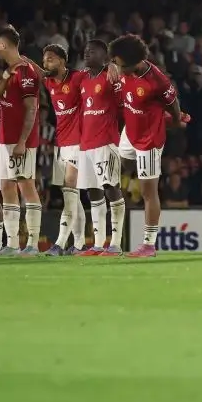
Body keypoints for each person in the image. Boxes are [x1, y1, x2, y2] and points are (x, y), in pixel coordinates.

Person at [109, 34, 187, 258]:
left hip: (149, 139)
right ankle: (138, 176)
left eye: (119, 64)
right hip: (130, 131)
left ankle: (149, 245)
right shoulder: (123, 67)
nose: (117, 68)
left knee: (148, 192)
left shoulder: (157, 81)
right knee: (121, 165)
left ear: (134, 62)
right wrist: (111, 67)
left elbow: (173, 104)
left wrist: (175, 120)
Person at [0, 26, 43, 256]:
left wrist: (22, 141)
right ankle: (12, 245)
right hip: (6, 139)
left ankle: (32, 244)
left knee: (26, 186)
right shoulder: (10, 71)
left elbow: (31, 108)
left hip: (20, 141)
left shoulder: (25, 71)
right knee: (6, 187)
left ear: (4, 45)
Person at [75, 39, 126, 256]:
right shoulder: (83, 79)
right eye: (86, 51)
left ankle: (116, 243)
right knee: (93, 192)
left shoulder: (112, 76)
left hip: (106, 142)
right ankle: (98, 244)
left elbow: (123, 108)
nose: (87, 54)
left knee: (111, 188)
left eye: (93, 51)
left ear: (105, 56)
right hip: (86, 144)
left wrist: (114, 65)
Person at [41, 44, 86, 255]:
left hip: (78, 144)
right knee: (72, 195)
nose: (46, 63)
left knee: (70, 192)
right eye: (44, 59)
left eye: (50, 59)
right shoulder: (48, 82)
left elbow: (98, 78)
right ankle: (79, 244)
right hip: (61, 145)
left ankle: (59, 243)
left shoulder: (77, 78)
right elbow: (34, 70)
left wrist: (111, 67)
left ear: (62, 61)